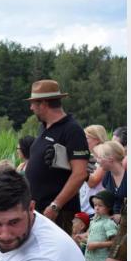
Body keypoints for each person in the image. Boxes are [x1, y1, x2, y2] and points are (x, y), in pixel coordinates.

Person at [23, 79, 90, 235]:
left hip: (58, 212)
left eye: (34, 103)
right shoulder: (43, 127)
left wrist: (55, 206)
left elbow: (80, 174)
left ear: (44, 103)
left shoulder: (72, 130)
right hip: (38, 208)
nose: (31, 107)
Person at [80, 125, 110, 217]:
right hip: (84, 208)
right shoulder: (91, 157)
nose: (83, 141)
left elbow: (92, 182)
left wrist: (80, 167)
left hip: (94, 210)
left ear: (97, 139)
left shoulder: (104, 158)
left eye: (86, 138)